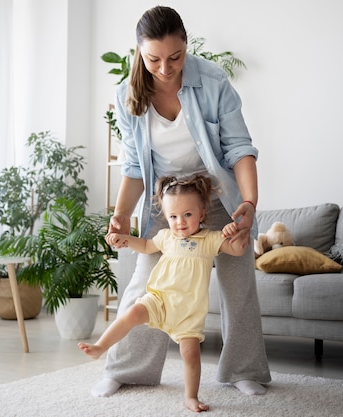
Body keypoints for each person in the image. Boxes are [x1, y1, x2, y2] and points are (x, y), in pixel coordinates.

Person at [87, 5, 271, 399]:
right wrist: (120, 216)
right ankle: (127, 369)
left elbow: (240, 149)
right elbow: (135, 166)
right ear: (139, 52)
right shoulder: (128, 94)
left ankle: (243, 369)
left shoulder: (213, 81)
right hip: (165, 198)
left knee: (238, 282)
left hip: (216, 193)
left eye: (175, 57)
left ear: (186, 46)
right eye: (154, 59)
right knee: (143, 284)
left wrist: (251, 203)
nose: (166, 69)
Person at [80, 174, 246, 412]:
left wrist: (235, 232)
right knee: (129, 314)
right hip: (158, 300)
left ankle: (190, 396)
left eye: (187, 215)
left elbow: (238, 251)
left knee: (190, 354)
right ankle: (99, 347)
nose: (180, 222)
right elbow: (147, 247)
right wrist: (125, 240)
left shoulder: (210, 239)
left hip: (188, 313)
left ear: (202, 213)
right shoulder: (166, 237)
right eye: (173, 216)